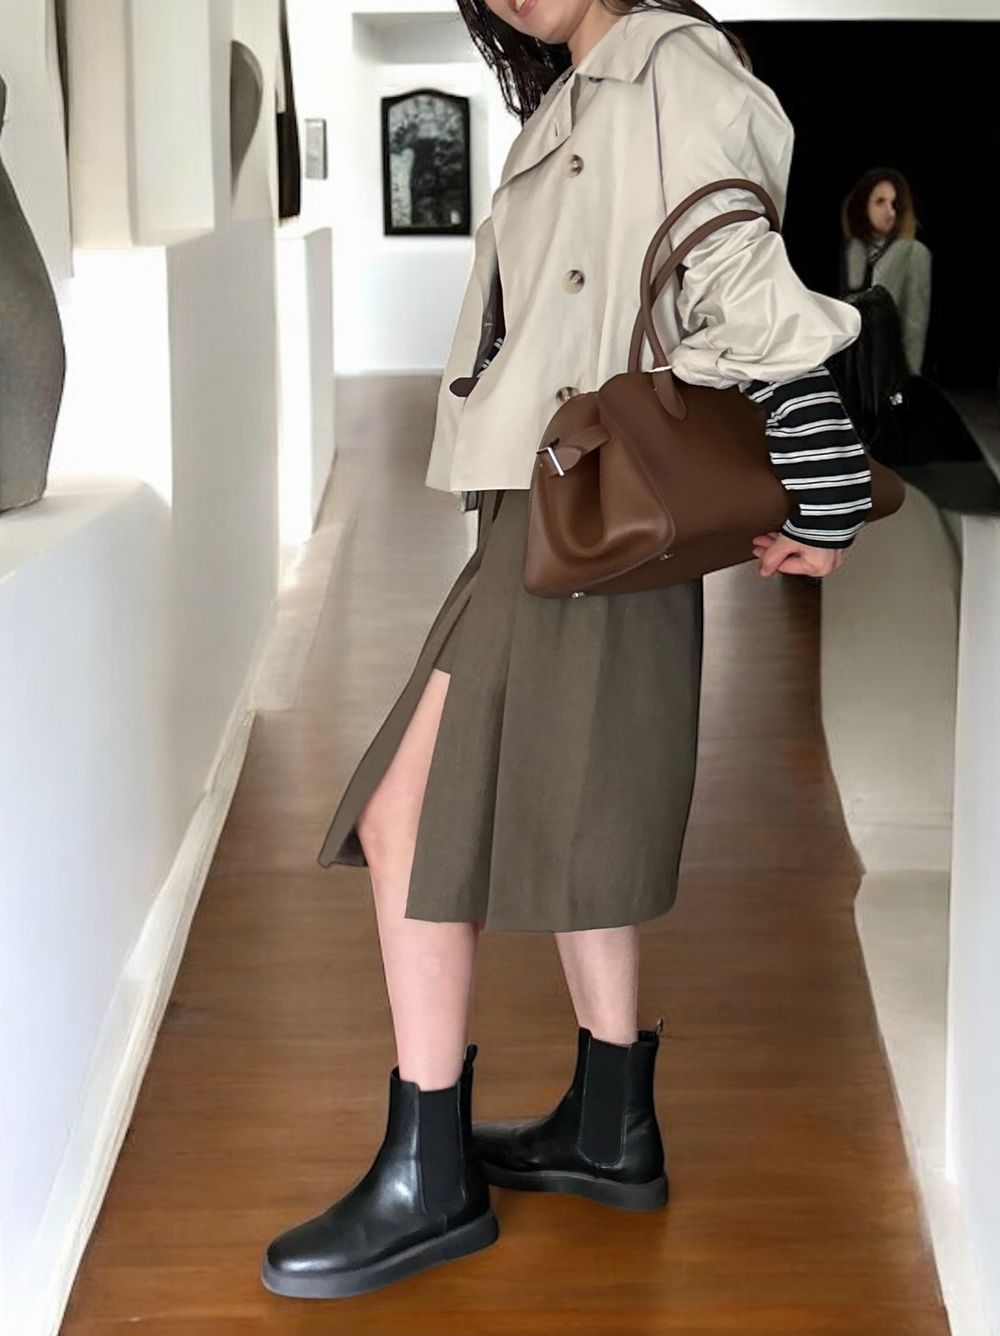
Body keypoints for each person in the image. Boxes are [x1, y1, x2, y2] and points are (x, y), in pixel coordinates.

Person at [261, 0, 870, 1301]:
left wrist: (820, 476)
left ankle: (428, 1178)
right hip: (551, 505)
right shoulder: (587, 87)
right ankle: (609, 1128)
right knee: (579, 808)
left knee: (407, 818)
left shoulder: (667, 64)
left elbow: (731, 255)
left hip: (589, 508)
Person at [840, 167, 932, 377]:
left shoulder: (914, 253)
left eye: (894, 203)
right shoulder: (853, 251)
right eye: (880, 202)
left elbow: (915, 325)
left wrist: (909, 379)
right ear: (864, 204)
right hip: (853, 368)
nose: (890, 212)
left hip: (890, 369)